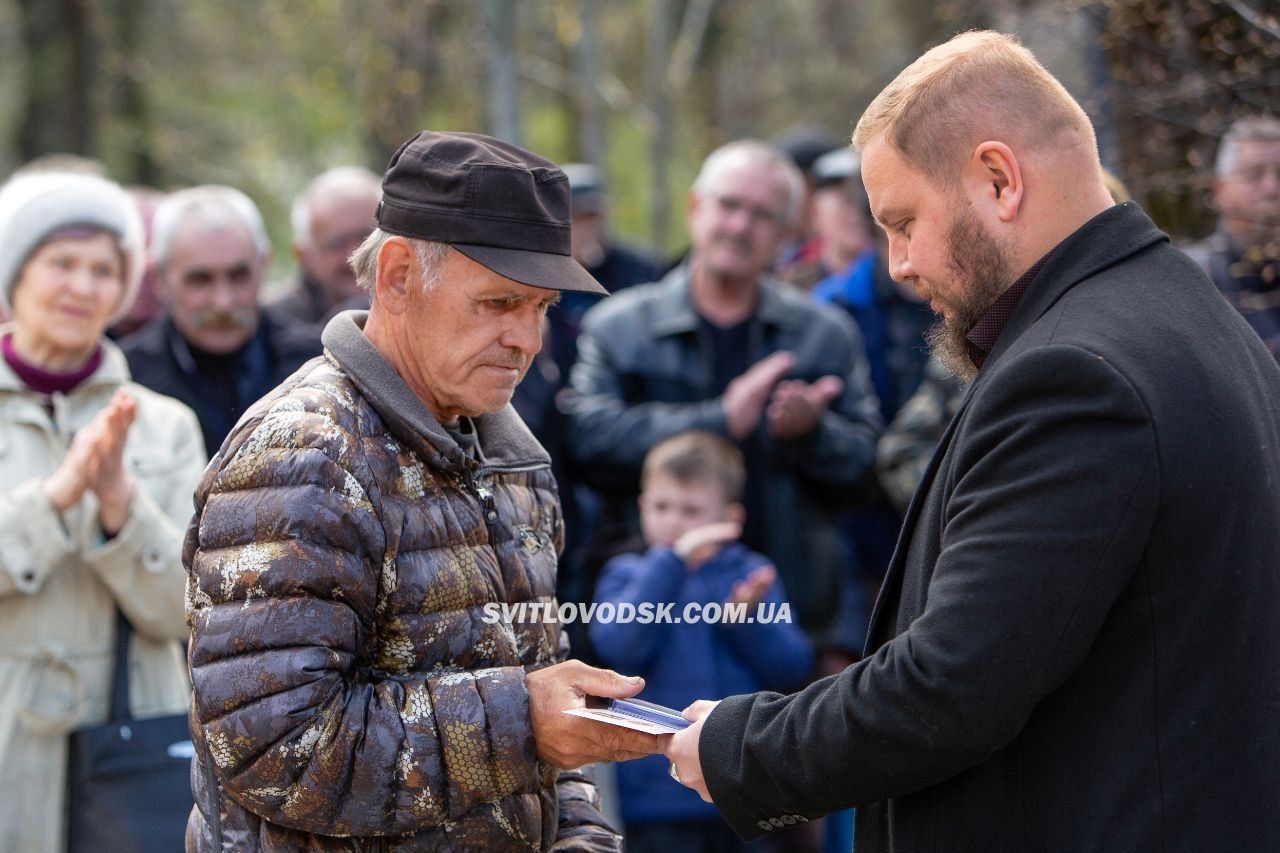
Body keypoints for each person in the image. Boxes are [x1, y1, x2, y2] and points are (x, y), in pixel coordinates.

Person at [663, 31, 1280, 850]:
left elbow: (951, 686)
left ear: (998, 178)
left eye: (904, 221)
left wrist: (741, 746)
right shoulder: (1193, 318)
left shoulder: (1076, 372)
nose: (898, 263)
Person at [184, 131, 662, 851]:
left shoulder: (511, 454)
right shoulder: (305, 452)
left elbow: (545, 722)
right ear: (399, 276)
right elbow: (271, 745)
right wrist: (524, 720)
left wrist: (580, 838)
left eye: (541, 308)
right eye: (498, 301)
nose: (525, 339)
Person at [561, 140, 883, 658]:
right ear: (695, 208)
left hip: (787, 624)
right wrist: (720, 419)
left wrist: (809, 434)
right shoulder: (619, 326)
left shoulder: (824, 334)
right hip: (652, 624)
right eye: (729, 205)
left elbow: (867, 471)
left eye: (761, 215)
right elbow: (586, 439)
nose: (739, 225)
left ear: (785, 234)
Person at [0, 171, 205, 851]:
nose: (83, 288)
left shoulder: (163, 424)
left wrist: (119, 499)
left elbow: (185, 605)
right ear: (14, 276)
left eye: (103, 270)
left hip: (135, 736)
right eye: (61, 263)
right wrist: (57, 496)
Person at [589, 431, 811, 853]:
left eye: (691, 511)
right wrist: (671, 563)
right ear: (641, 507)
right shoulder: (627, 575)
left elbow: (792, 666)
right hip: (656, 794)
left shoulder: (751, 574)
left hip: (744, 783)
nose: (673, 521)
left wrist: (747, 621)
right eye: (661, 506)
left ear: (731, 519)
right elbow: (618, 646)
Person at [120, 185, 321, 456]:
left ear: (263, 265)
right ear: (159, 278)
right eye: (200, 280)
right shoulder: (126, 380)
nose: (223, 302)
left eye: (238, 276)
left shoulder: (317, 366)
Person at [1183, 115, 1280, 359]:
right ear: (1219, 189)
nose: (1272, 188)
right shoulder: (1194, 280)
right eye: (1254, 174)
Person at [271, 165, 383, 326]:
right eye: (337, 243)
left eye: (367, 236)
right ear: (305, 257)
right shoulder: (274, 328)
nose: (355, 253)